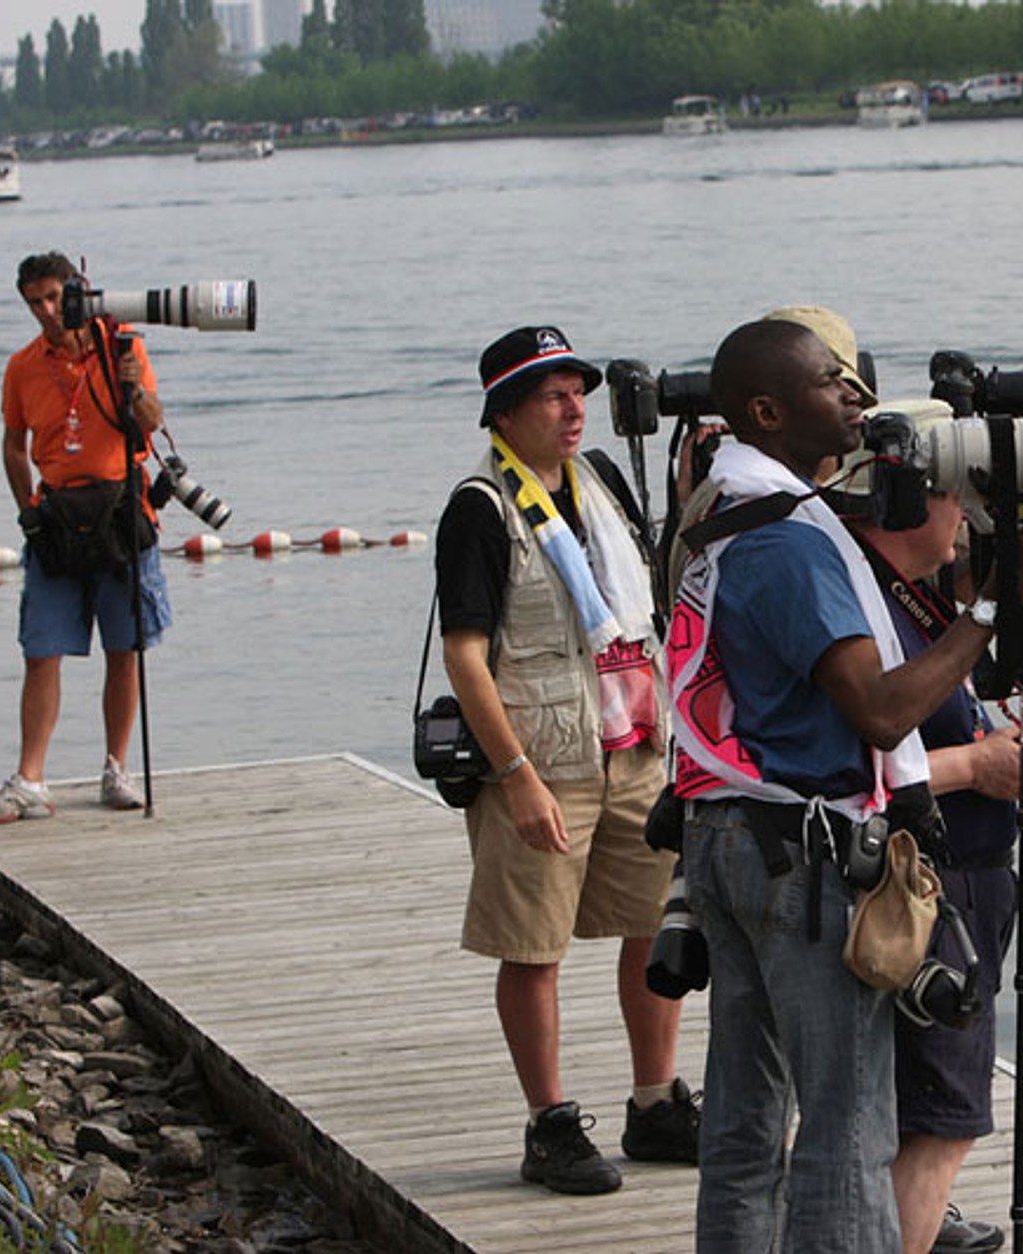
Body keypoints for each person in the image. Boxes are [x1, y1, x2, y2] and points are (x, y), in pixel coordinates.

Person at [668, 317, 1023, 1253]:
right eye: (829, 383)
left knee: (747, 1125)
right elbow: (881, 713)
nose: (855, 396)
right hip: (798, 858)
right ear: (766, 410)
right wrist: (992, 603)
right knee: (848, 1132)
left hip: (731, 833)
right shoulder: (789, 543)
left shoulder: (723, 513)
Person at [436, 325, 699, 1196]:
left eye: (578, 389)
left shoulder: (603, 482)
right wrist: (514, 778)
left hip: (635, 746)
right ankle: (549, 1124)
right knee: (534, 947)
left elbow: (652, 603)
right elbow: (466, 655)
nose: (575, 406)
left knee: (652, 930)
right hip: (545, 759)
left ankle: (655, 1104)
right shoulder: (479, 506)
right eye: (553, 394)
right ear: (504, 413)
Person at [835, 405, 1023, 1254]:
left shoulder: (888, 592)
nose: (967, 514)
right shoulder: (871, 607)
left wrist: (1008, 590)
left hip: (941, 880)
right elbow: (862, 753)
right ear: (903, 499)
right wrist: (979, 766)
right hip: (924, 892)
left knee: (898, 1117)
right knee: (940, 1125)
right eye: (957, 494)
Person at [0, 252, 170, 826]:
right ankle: (29, 779)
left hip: (120, 509)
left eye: (55, 298)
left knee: (125, 649)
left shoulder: (122, 350)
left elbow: (153, 422)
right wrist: (25, 509)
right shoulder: (22, 366)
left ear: (78, 291)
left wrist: (133, 386)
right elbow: (13, 443)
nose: (47, 311)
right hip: (56, 516)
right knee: (41, 649)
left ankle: (117, 767)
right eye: (35, 302)